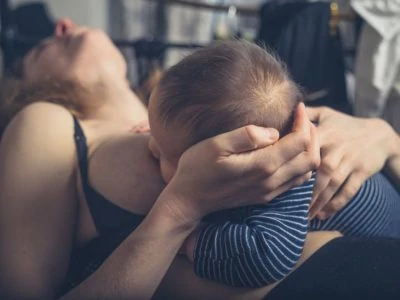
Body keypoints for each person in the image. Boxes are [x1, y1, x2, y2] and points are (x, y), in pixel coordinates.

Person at [0, 18, 399, 300]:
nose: (64, 24)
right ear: (27, 89)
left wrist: (384, 138)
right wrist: (181, 208)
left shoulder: (200, 101)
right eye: (39, 49)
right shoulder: (46, 123)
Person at [147, 40, 400, 288]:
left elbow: (267, 258)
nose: (150, 148)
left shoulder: (284, 187)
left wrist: (190, 242)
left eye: (165, 155)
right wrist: (161, 134)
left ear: (235, 163)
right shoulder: (272, 120)